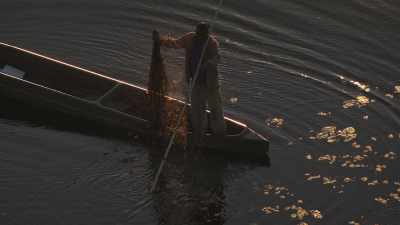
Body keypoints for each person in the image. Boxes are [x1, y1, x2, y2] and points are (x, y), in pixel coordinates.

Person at [153, 22, 226, 149]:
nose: (200, 35)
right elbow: (176, 44)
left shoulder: (212, 43)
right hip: (196, 82)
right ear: (196, 31)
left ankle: (219, 134)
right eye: (199, 33)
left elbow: (217, 58)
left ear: (207, 33)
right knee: (197, 109)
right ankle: (199, 133)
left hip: (210, 84)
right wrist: (160, 40)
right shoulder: (189, 38)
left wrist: (208, 63)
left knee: (215, 109)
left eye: (203, 34)